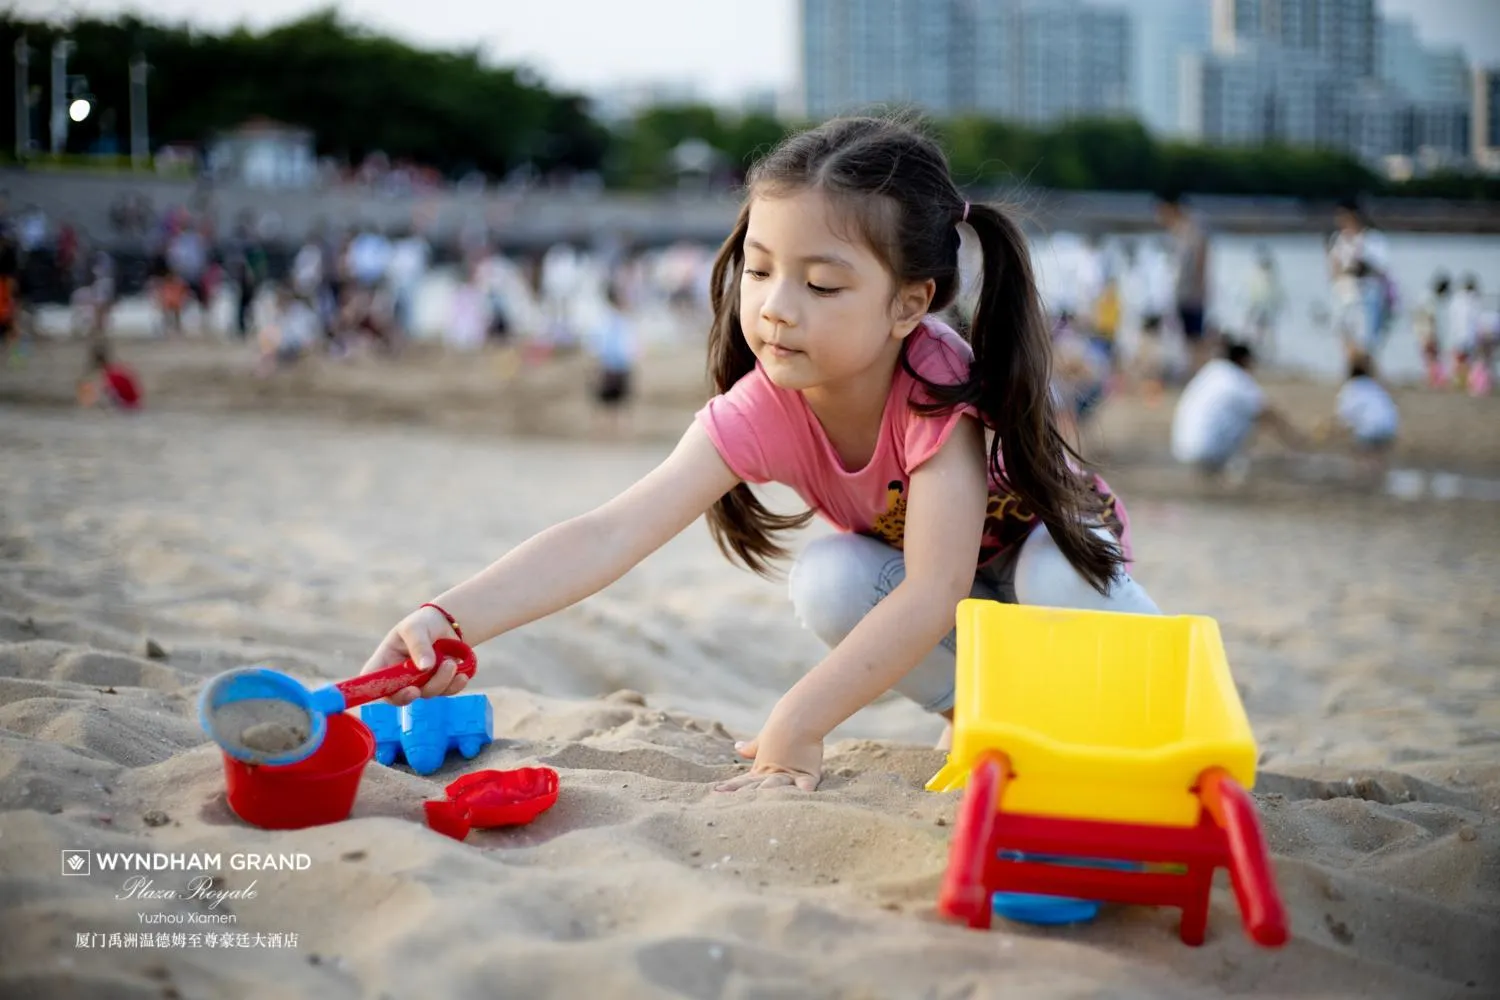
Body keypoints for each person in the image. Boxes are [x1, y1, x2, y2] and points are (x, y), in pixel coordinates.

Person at [358, 116, 1160, 793]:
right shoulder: (768, 404)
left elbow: (936, 587)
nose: (776, 308)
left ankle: (1144, 716)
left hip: (1060, 573)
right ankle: (976, 716)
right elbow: (610, 533)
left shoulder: (937, 386)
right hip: (955, 602)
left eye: (822, 285)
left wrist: (799, 720)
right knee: (829, 578)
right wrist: (445, 616)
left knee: (1054, 573)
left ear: (909, 304)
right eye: (763, 269)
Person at [1170, 340, 1302, 484]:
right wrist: (1295, 440)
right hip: (1204, 452)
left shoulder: (1212, 371)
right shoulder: (1236, 378)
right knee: (1250, 416)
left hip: (1181, 448)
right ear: (1243, 360)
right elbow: (1268, 413)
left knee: (1240, 411)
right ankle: (1229, 471)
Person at [1326, 199, 1392, 360]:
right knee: (1345, 336)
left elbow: (1381, 268)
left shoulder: (1373, 240)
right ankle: (1352, 371)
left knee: (1367, 341)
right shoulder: (1338, 239)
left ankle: (1366, 372)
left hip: (1368, 296)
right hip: (1344, 295)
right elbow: (1333, 270)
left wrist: (1358, 267)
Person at [1155, 192, 1212, 374]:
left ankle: (1199, 372)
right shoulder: (1178, 231)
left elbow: (1200, 265)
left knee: (1194, 337)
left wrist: (1201, 290)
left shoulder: (1193, 231)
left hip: (1191, 294)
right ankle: (1193, 371)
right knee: (1188, 337)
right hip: (1182, 293)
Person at [1321, 353, 1399, 480]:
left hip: (1371, 430)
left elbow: (1343, 419)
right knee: (1378, 451)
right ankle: (1380, 471)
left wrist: (1330, 430)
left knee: (1360, 447)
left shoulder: (1350, 389)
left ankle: (1365, 472)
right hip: (1390, 428)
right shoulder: (1375, 386)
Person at [76, 344, 142, 410]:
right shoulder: (116, 370)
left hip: (128, 406)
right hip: (134, 403)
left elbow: (109, 395)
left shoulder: (110, 376)